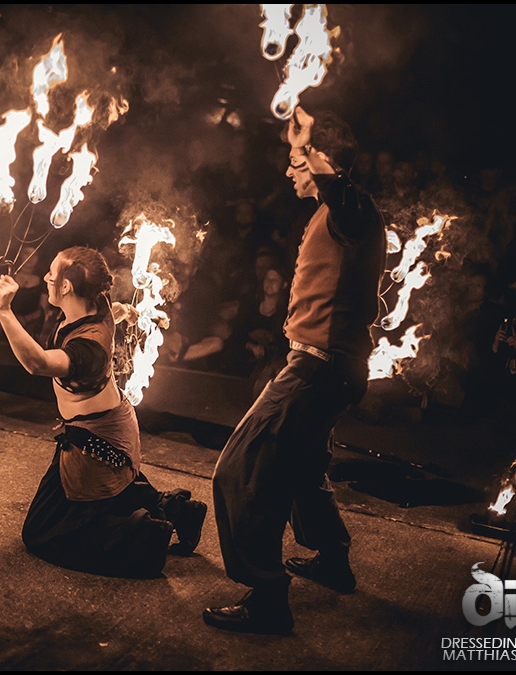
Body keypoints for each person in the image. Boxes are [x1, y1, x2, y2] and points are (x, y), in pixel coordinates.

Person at [203, 107, 386, 634]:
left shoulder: (353, 209)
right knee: (303, 469)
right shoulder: (333, 213)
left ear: (323, 162)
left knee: (240, 469)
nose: (289, 169)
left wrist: (314, 147)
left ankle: (267, 598)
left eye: (297, 160)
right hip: (327, 365)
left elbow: (342, 192)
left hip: (319, 367)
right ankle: (333, 561)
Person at [0, 245, 208, 578]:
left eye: (52, 274)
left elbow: (39, 363)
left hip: (95, 444)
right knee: (104, 497)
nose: (46, 277)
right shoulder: (97, 306)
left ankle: (145, 537)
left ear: (66, 286)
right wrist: (128, 313)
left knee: (41, 531)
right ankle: (178, 510)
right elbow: (115, 311)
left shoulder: (87, 350)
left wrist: (5, 311)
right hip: (108, 429)